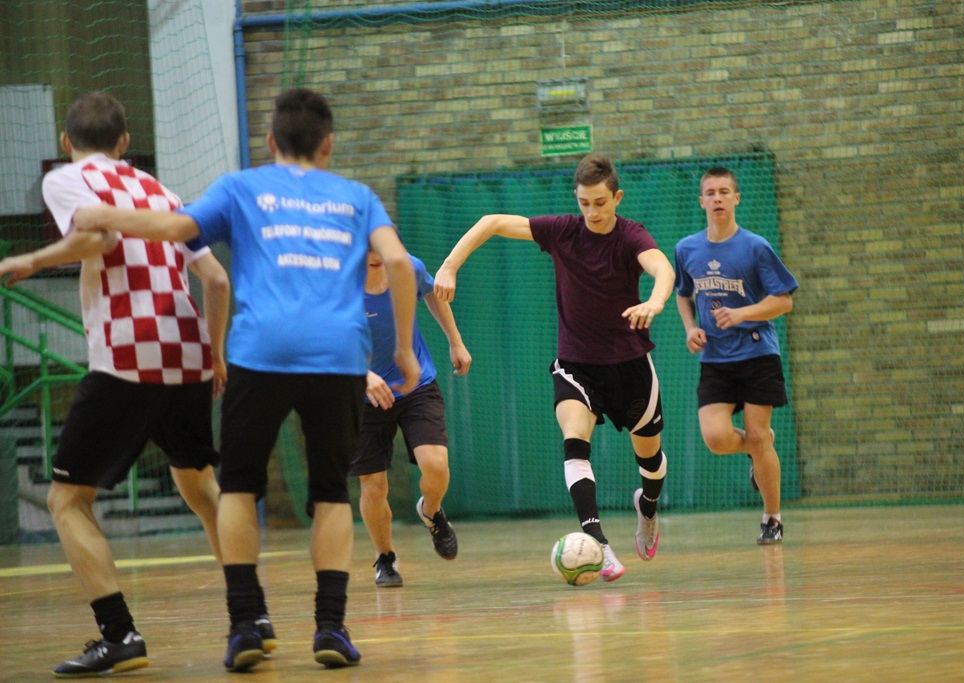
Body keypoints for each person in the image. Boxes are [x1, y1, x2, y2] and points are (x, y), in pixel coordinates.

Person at [73, 88, 420, 672]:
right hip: (337, 356)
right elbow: (403, 264)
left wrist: (106, 215)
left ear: (270, 142)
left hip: (261, 353)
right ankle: (331, 627)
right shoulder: (358, 198)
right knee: (333, 493)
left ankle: (244, 626)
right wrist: (405, 349)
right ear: (329, 145)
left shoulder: (242, 186)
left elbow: (175, 227)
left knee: (236, 488)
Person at [0, 91, 239, 677]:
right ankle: (249, 618)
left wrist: (31, 261)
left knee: (67, 500)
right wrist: (215, 355)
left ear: (66, 143)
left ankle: (119, 635)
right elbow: (216, 280)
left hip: (128, 358)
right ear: (126, 143)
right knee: (201, 488)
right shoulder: (162, 192)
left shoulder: (67, 178)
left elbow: (97, 240)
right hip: (187, 353)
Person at [434, 154, 675, 582]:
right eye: (584, 202)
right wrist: (450, 265)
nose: (592, 212)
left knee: (651, 462)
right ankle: (598, 543)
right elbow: (491, 221)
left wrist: (655, 301)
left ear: (617, 197)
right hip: (576, 364)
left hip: (629, 366)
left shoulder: (630, 236)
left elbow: (661, 267)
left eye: (600, 202)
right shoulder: (562, 230)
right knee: (574, 439)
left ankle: (648, 508)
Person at [673, 166, 798, 545]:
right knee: (716, 437)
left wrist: (741, 314)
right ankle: (758, 451)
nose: (717, 199)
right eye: (710, 193)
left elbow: (784, 301)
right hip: (715, 358)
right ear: (701, 201)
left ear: (736, 198)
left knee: (759, 434)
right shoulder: (687, 249)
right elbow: (683, 292)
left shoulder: (756, 246)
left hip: (758, 351)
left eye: (724, 192)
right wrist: (690, 328)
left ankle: (772, 518)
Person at [354, 249, 472, 587]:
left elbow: (433, 292)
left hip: (416, 384)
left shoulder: (408, 268)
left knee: (435, 466)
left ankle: (431, 511)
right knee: (373, 487)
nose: (375, 255)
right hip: (362, 394)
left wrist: (456, 342)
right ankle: (385, 558)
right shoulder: (336, 280)